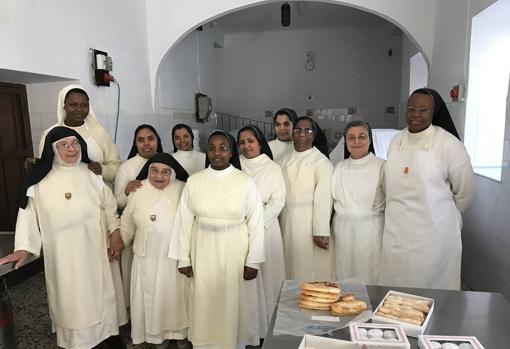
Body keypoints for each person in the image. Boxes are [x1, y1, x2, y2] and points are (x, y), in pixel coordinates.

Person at [0, 127, 126, 349]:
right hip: (63, 256)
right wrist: (23, 247)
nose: (71, 149)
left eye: (75, 143)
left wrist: (115, 231)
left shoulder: (91, 175)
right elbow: (28, 214)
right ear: (53, 150)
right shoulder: (40, 181)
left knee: (100, 296)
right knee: (72, 303)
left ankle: (106, 335)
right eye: (64, 145)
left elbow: (109, 206)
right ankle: (76, 343)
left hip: (95, 250)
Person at [169, 130, 265, 349]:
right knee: (205, 300)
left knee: (232, 302)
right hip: (202, 248)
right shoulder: (194, 181)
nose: (217, 153)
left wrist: (253, 261)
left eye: (223, 148)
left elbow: (256, 223)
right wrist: (183, 258)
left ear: (231, 152)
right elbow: (184, 221)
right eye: (212, 147)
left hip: (235, 250)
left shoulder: (245, 182)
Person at [379, 88, 475, 290]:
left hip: (434, 235)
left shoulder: (448, 144)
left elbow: (465, 193)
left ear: (434, 112)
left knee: (431, 295)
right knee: (396, 291)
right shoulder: (397, 141)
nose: (416, 115)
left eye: (423, 110)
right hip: (397, 233)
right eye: (411, 108)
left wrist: (443, 216)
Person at [120, 153, 190, 348]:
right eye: (154, 171)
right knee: (152, 301)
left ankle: (180, 335)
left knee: (176, 300)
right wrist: (117, 244)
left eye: (165, 172)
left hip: (175, 259)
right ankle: (157, 338)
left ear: (173, 174)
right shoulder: (138, 189)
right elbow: (126, 224)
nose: (159, 176)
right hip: (147, 259)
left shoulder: (183, 189)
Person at [237, 125, 285, 337]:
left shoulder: (272, 167)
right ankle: (249, 328)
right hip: (240, 229)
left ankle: (267, 327)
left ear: (260, 143)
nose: (246, 146)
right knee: (246, 280)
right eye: (242, 142)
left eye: (251, 141)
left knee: (267, 278)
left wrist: (256, 222)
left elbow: (278, 200)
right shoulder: (235, 165)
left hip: (266, 228)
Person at [278, 116, 335, 281]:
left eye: (307, 130)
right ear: (293, 133)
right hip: (286, 220)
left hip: (309, 221)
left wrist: (320, 230)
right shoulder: (283, 160)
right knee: (288, 264)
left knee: (309, 266)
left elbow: (324, 198)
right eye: (298, 129)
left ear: (314, 134)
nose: (302, 133)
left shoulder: (321, 162)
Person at [114, 124, 164, 305]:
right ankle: (133, 310)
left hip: (162, 234)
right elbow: (117, 202)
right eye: (141, 140)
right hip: (136, 232)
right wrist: (126, 191)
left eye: (150, 138)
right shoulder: (126, 167)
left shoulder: (166, 163)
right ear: (135, 144)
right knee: (134, 275)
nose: (146, 144)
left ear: (157, 140)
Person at [331, 121, 385, 285]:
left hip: (371, 230)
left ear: (370, 140)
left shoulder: (382, 166)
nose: (356, 142)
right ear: (345, 142)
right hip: (342, 230)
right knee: (343, 274)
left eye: (362, 137)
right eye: (351, 138)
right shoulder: (339, 167)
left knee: (370, 274)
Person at [38, 84, 121, 185]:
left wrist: (102, 170)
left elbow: (116, 165)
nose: (79, 109)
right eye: (73, 105)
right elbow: (43, 169)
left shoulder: (99, 132)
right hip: (63, 190)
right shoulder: (50, 135)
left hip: (98, 192)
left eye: (84, 105)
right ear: (64, 106)